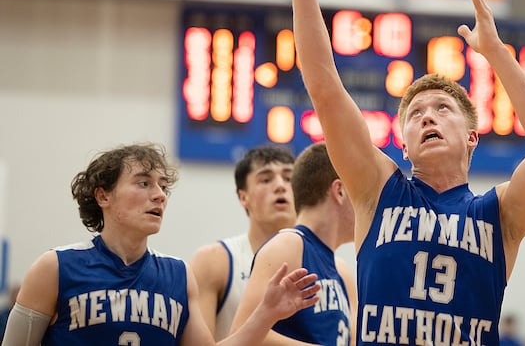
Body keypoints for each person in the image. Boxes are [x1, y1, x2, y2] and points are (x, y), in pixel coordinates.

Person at [256, 0, 525, 346]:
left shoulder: (499, 213)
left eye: (443, 108)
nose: (427, 116)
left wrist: (497, 53)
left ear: (472, 137)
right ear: (403, 145)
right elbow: (325, 89)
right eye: (416, 113)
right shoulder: (377, 189)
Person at [0, 143, 319, 346]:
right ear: (103, 196)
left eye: (163, 186)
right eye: (144, 183)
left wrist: (266, 313)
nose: (159, 195)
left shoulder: (178, 275)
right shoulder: (54, 267)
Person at [230, 141, 356, 345]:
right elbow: (241, 335)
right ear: (339, 191)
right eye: (359, 193)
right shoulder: (289, 245)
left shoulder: (342, 272)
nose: (366, 205)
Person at [190, 145, 297, 339]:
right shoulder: (214, 260)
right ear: (243, 197)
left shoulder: (335, 268)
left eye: (288, 178)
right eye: (266, 179)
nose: (280, 186)